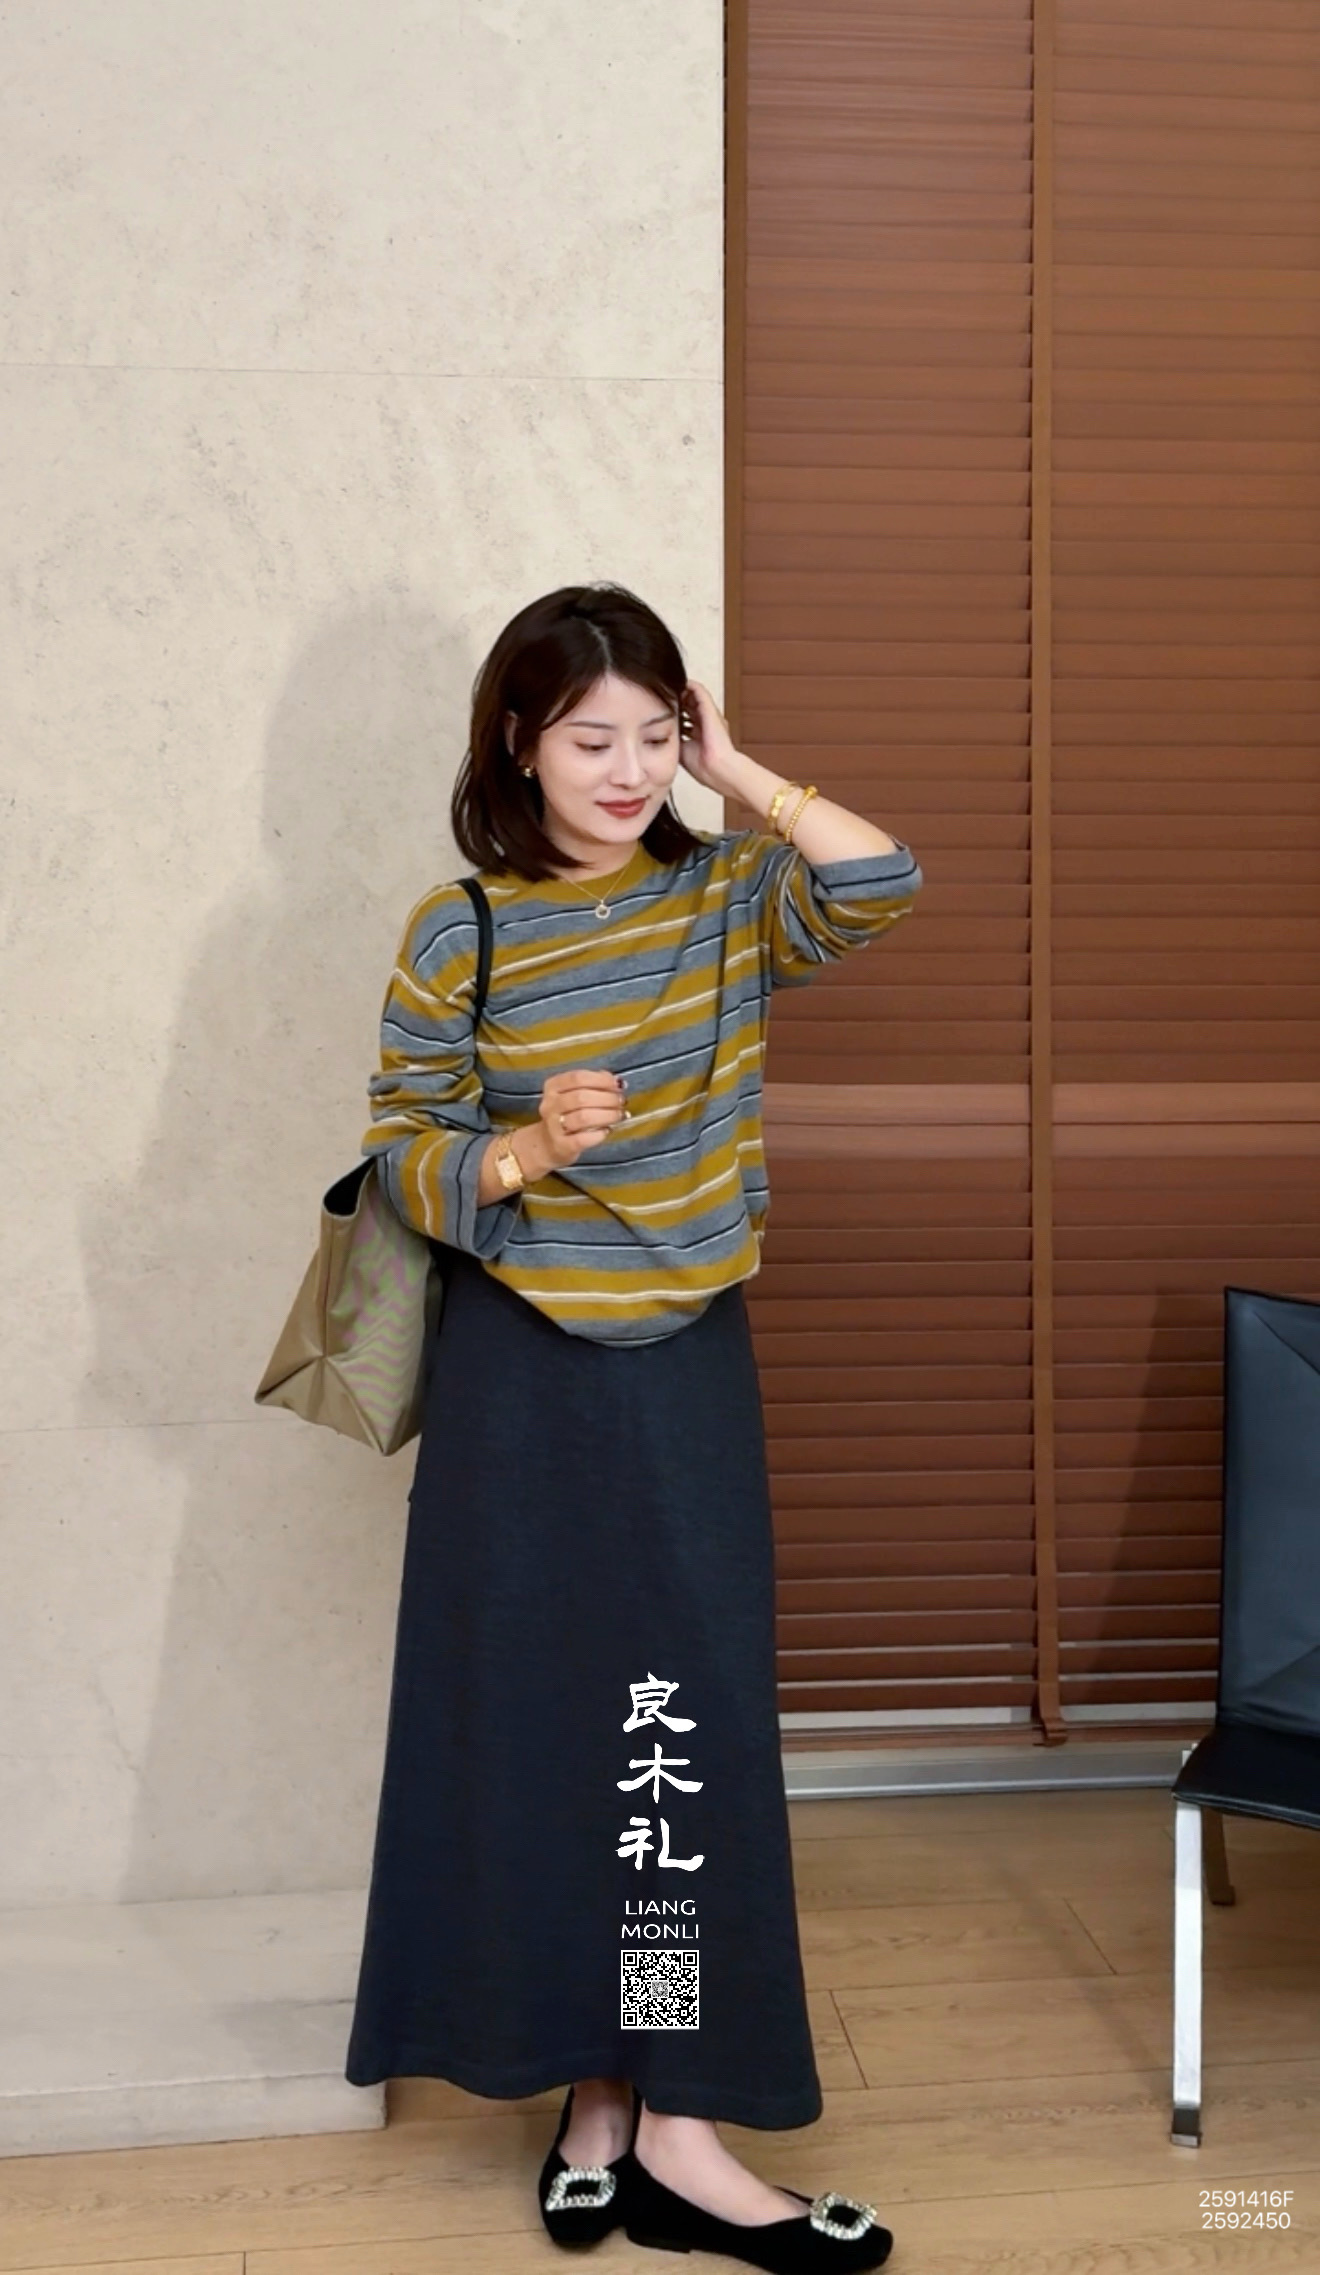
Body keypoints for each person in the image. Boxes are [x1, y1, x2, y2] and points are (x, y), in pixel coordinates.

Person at [344, 581, 923, 2271]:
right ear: (517, 742)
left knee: (673, 1740)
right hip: (515, 1378)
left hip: (681, 1367)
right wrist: (527, 1149)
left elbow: (880, 880)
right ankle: (589, 2093)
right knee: (542, 1735)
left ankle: (678, 2117)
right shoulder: (463, 928)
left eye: (655, 736)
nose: (626, 770)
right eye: (592, 738)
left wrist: (742, 775)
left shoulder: (726, 896)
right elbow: (401, 1151)